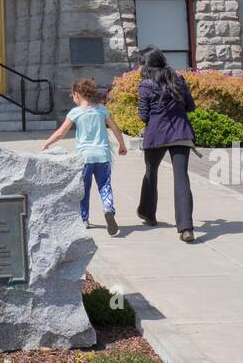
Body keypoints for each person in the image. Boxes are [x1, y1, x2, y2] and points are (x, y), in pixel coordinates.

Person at [41, 78, 127, 234]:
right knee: (105, 185)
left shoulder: (75, 113)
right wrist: (122, 145)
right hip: (103, 156)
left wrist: (47, 144)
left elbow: (61, 133)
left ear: (77, 94)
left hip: (84, 158)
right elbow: (115, 129)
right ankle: (108, 209)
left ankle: (84, 218)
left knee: (84, 189)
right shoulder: (101, 109)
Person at [137, 46, 197, 243]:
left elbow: (143, 115)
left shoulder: (145, 85)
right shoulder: (178, 79)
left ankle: (148, 213)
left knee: (150, 172)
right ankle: (186, 228)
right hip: (181, 132)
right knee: (181, 178)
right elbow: (190, 106)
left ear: (146, 65)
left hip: (156, 135)